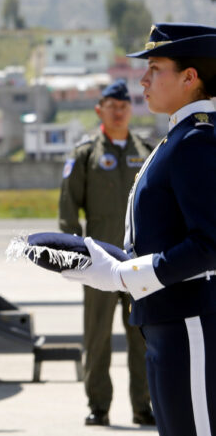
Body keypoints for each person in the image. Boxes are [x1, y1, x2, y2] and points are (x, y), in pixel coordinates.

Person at [63, 23, 216, 436]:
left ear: (190, 77)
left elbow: (209, 243)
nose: (143, 80)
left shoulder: (195, 141)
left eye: (154, 68)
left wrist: (128, 275)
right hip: (169, 322)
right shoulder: (177, 138)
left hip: (189, 323)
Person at [58, 79, 154, 427]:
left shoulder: (146, 151)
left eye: (124, 105)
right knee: (96, 339)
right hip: (98, 264)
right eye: (111, 105)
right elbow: (68, 208)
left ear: (131, 109)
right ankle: (98, 406)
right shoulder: (86, 155)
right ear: (99, 109)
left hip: (139, 265)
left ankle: (144, 406)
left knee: (142, 337)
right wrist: (72, 256)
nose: (118, 110)